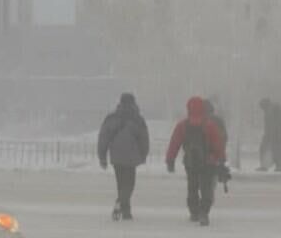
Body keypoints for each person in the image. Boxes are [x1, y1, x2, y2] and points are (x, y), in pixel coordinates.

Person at [165, 97, 226, 227]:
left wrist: (170, 160)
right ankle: (204, 212)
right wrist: (221, 158)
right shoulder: (209, 125)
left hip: (190, 162)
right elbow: (218, 144)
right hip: (208, 162)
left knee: (192, 187)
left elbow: (174, 143)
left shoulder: (183, 125)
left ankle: (194, 212)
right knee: (206, 188)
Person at [97, 92, 150, 221]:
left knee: (121, 184)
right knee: (129, 184)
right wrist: (143, 154)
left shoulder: (112, 118)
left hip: (116, 156)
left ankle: (126, 211)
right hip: (131, 156)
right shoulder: (137, 120)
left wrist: (102, 156)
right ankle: (120, 203)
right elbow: (144, 139)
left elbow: (103, 137)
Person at [258, 99, 281, 173]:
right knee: (270, 149)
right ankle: (275, 165)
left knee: (276, 150)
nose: (263, 110)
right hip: (276, 135)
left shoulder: (273, 112)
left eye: (263, 108)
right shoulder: (270, 112)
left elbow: (276, 126)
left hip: (278, 136)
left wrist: (269, 136)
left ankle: (279, 166)